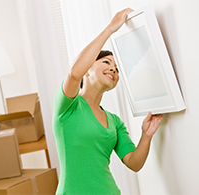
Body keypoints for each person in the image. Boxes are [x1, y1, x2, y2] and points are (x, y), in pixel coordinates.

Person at [52, 8, 164, 195]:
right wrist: (110, 29)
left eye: (117, 68)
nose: (113, 69)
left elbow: (133, 163)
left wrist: (146, 135)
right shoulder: (67, 106)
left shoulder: (114, 122)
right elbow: (73, 74)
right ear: (87, 69)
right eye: (106, 62)